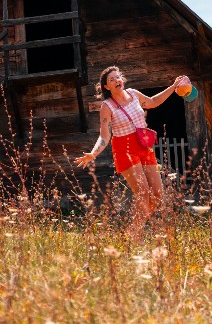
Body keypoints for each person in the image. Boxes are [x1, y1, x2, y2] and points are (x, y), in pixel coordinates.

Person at [75, 66, 188, 236]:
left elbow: (153, 102)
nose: (116, 80)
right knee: (142, 194)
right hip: (124, 149)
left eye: (117, 77)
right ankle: (135, 235)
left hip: (144, 147)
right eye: (111, 80)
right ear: (107, 87)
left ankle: (133, 231)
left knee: (157, 194)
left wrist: (173, 87)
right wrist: (93, 153)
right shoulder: (107, 106)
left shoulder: (134, 94)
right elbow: (104, 135)